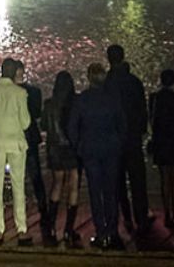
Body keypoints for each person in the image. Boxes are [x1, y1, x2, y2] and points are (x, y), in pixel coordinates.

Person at [68, 61, 127, 251]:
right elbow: (122, 124)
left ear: (88, 78)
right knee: (111, 192)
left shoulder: (82, 100)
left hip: (90, 150)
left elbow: (72, 127)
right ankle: (113, 231)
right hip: (111, 149)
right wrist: (119, 142)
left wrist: (78, 145)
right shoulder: (113, 99)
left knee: (95, 192)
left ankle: (101, 232)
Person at [0, 56, 33, 244]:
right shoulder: (20, 93)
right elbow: (26, 122)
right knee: (18, 185)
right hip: (16, 143)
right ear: (14, 73)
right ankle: (22, 227)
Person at [105, 44, 150, 239]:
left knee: (117, 182)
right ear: (123, 58)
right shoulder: (134, 82)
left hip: (113, 139)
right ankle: (142, 217)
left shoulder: (106, 84)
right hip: (132, 137)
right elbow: (142, 110)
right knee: (138, 179)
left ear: (109, 59)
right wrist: (141, 131)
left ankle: (126, 217)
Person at [14, 60, 52, 242]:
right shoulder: (34, 92)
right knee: (35, 175)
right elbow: (36, 114)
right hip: (29, 136)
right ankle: (43, 208)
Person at [43, 70, 81, 246]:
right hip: (72, 148)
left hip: (55, 149)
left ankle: (50, 227)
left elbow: (44, 125)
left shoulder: (49, 104)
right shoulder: (76, 102)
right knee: (73, 185)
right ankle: (68, 229)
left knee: (57, 184)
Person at [148, 69, 174, 230]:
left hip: (161, 141)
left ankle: (167, 213)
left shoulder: (154, 98)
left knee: (164, 179)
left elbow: (152, 121)